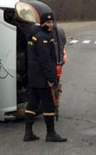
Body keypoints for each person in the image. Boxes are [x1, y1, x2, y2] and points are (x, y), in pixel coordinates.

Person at [23, 12, 67, 142]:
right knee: (48, 105)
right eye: (48, 22)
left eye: (52, 22)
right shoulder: (42, 37)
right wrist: (50, 78)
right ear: (42, 23)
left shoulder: (33, 36)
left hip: (33, 77)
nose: (50, 24)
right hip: (42, 78)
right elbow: (45, 60)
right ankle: (51, 133)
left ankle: (28, 133)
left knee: (32, 104)